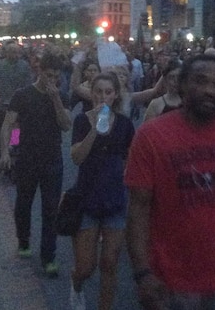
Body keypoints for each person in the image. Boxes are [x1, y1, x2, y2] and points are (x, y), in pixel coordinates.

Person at [125, 54, 215, 309]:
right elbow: (138, 209)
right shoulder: (150, 136)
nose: (209, 90)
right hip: (170, 283)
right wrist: (142, 273)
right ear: (182, 85)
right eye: (200, 81)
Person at [0, 53, 72, 276]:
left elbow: (66, 125)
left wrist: (56, 99)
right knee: (24, 203)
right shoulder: (23, 95)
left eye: (56, 77)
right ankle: (23, 239)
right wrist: (7, 150)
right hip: (27, 158)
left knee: (51, 210)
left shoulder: (62, 96)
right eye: (49, 75)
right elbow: (11, 124)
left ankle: (48, 256)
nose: (52, 80)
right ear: (40, 71)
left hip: (52, 159)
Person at [68, 72, 135, 310]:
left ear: (115, 95)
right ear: (91, 93)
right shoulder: (82, 121)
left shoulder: (125, 124)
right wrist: (95, 129)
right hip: (87, 198)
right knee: (86, 266)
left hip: (115, 199)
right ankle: (76, 282)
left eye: (108, 92)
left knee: (110, 263)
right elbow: (76, 157)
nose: (103, 97)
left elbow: (130, 157)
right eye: (98, 92)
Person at [0, 41, 32, 149]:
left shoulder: (24, 66)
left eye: (17, 52)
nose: (15, 55)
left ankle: (13, 147)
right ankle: (1, 146)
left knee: (16, 127)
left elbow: (28, 85)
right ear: (6, 53)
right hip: (2, 104)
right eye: (12, 52)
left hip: (18, 106)